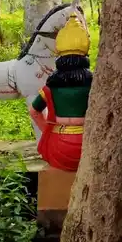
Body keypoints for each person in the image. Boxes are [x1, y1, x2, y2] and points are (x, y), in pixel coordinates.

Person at [29, 12, 92, 171]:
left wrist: (46, 131)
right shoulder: (94, 84)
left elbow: (34, 111)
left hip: (58, 144)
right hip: (88, 144)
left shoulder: (51, 86)